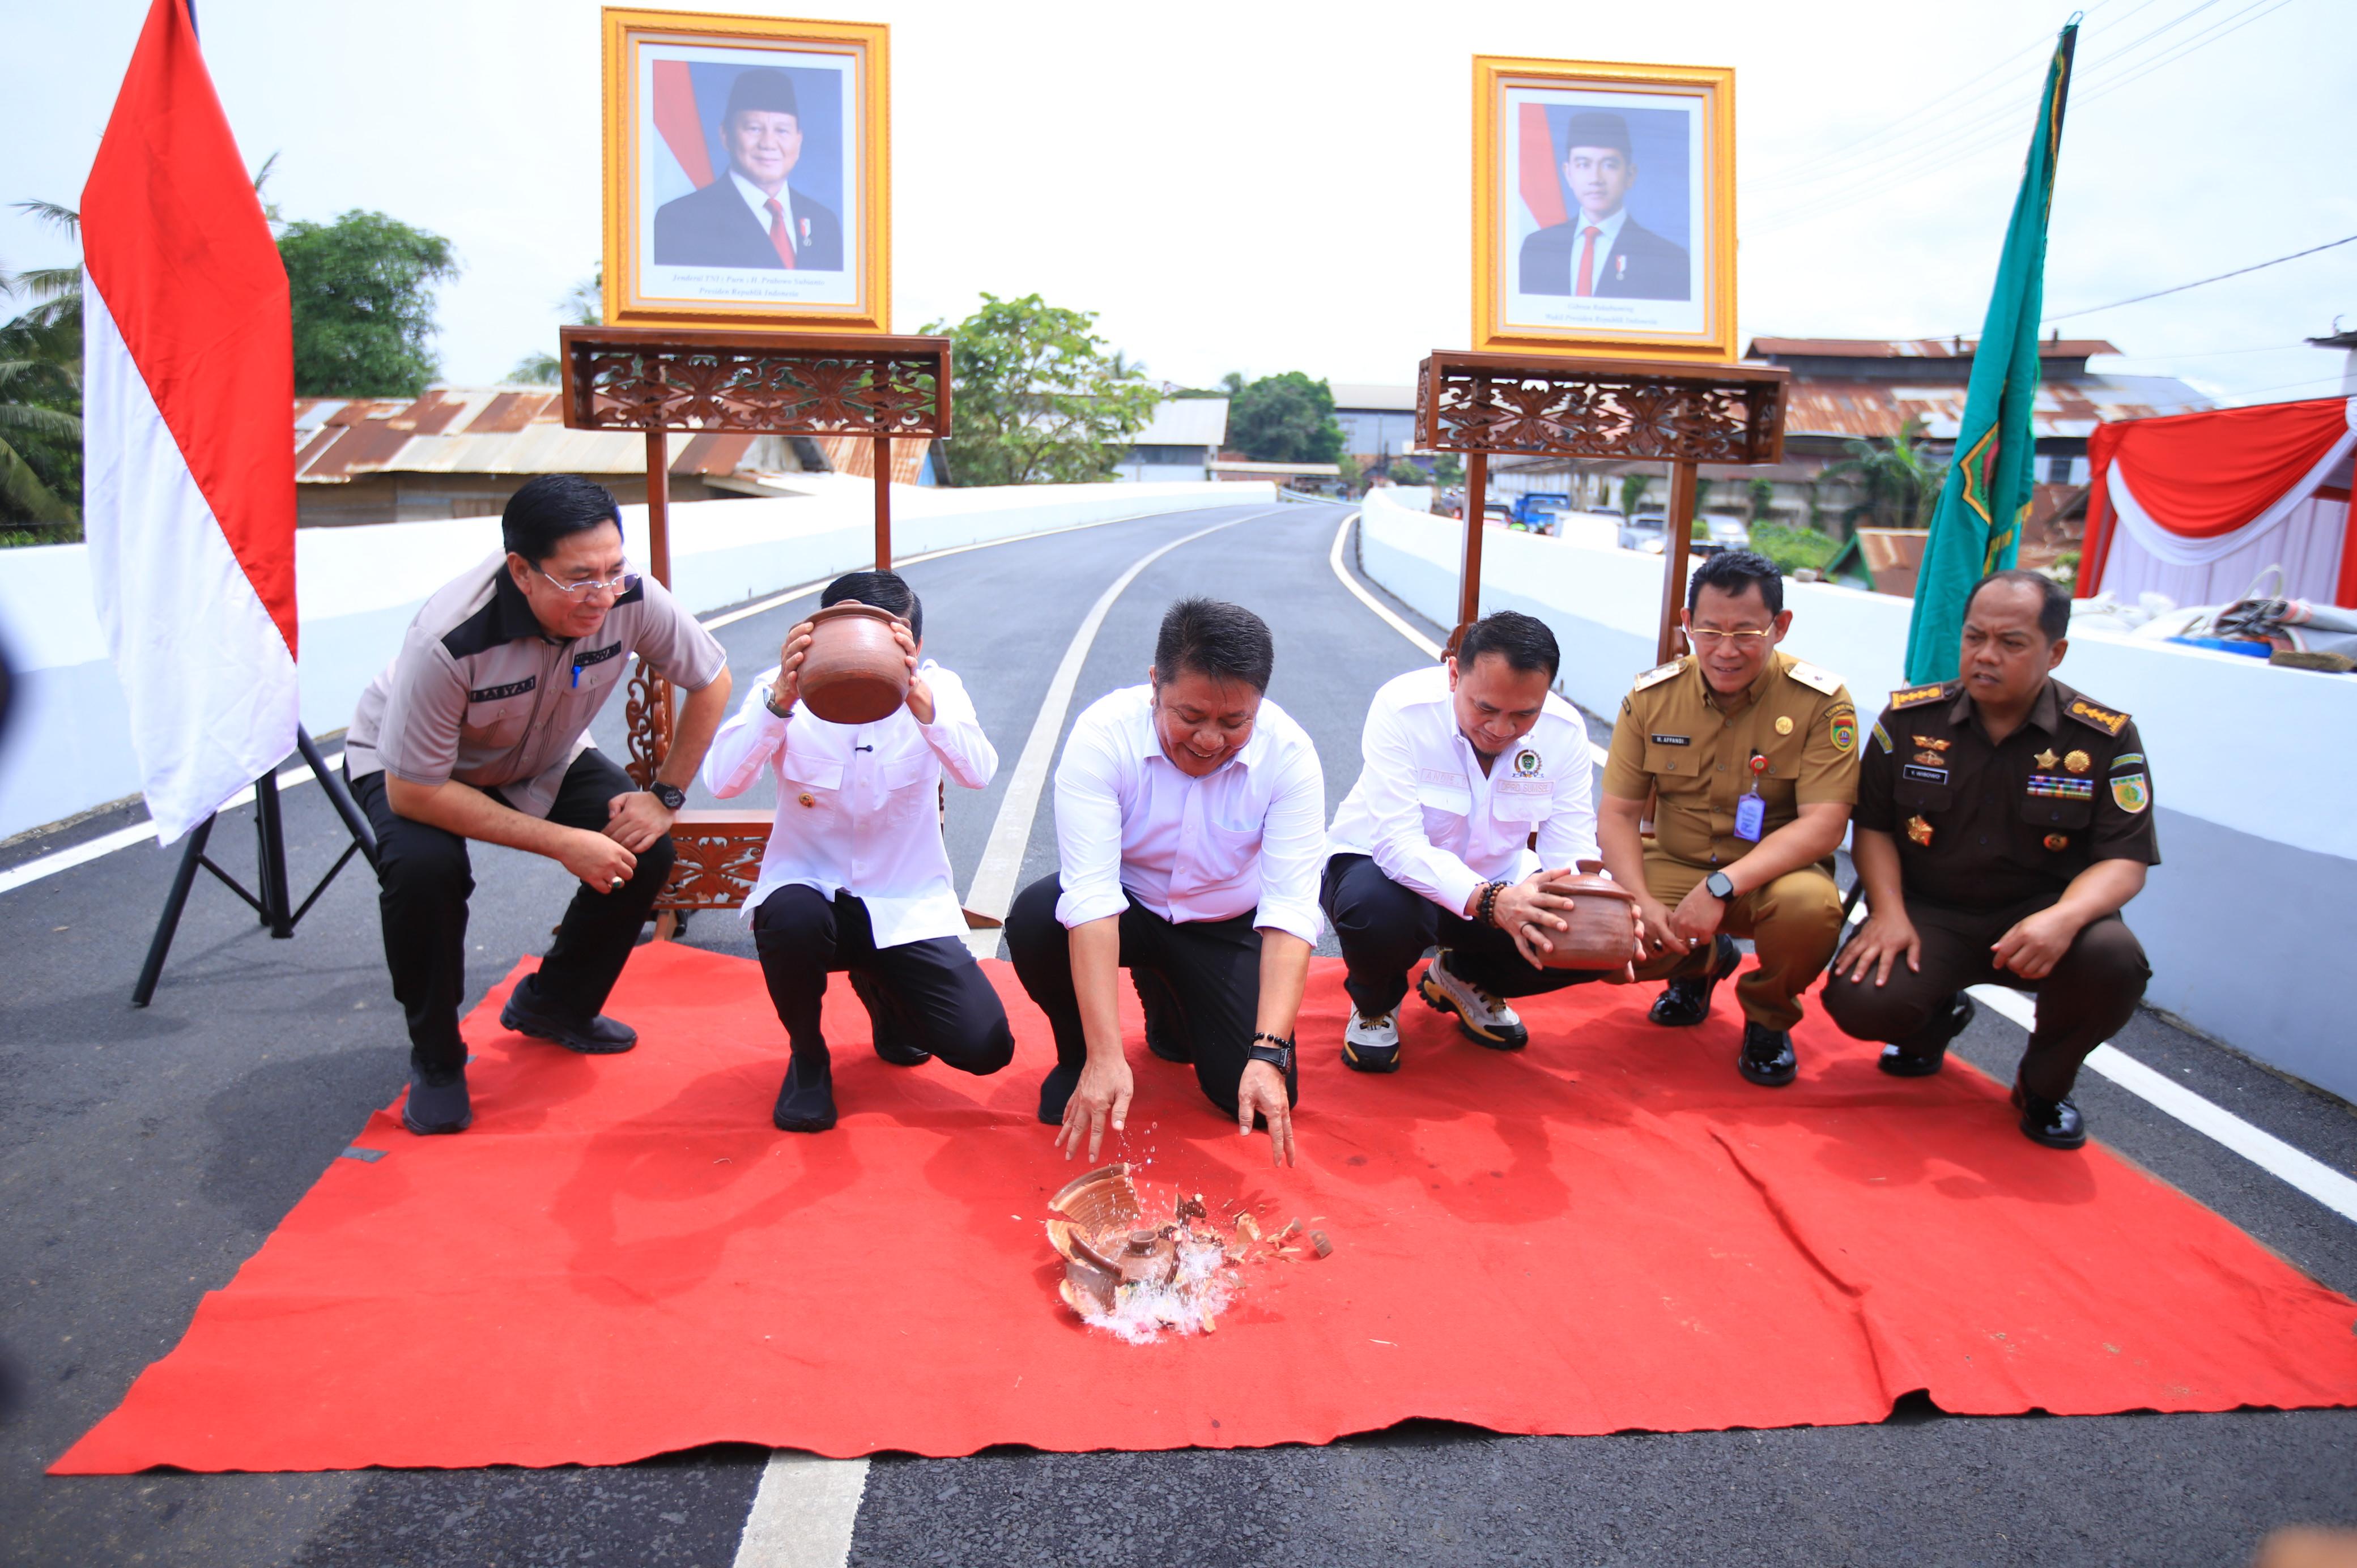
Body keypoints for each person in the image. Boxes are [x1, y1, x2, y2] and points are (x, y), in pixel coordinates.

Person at [346, 475, 733, 1135]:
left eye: (613, 569)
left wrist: (663, 798)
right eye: (580, 578)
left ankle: (556, 1005)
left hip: (543, 755)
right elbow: (415, 789)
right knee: (424, 873)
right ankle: (437, 1058)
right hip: (416, 767)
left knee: (645, 848)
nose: (603, 595)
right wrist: (561, 842)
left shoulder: (630, 594)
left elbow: (711, 679)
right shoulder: (450, 637)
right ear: (521, 570)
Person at [1824, 571, 2158, 1149]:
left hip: (2040, 917)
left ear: (2054, 652)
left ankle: (2043, 1083)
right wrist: (1887, 911)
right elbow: (1872, 825)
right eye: (1974, 636)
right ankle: (1932, 1020)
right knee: (1859, 999)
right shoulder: (1908, 721)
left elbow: (2124, 860)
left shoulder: (2103, 739)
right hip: (1931, 913)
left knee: (2113, 958)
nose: (1985, 655)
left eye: (2010, 642)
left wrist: (2064, 917)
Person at [1005, 598, 1324, 1168]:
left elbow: (1291, 909)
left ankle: (1172, 1001)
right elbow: (1092, 899)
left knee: (1251, 1093)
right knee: (1036, 917)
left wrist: (1268, 1053)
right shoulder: (1104, 735)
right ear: (1155, 684)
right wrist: (1105, 1054)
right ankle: (1077, 1052)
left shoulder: (1291, 755)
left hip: (1227, 924)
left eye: (1234, 723)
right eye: (1190, 716)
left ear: (1260, 702)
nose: (1208, 740)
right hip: (1131, 908)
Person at [701, 569, 1013, 1132]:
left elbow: (978, 772)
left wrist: (918, 698)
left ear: (916, 645)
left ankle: (886, 998)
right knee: (790, 915)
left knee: (984, 1046)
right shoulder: (779, 691)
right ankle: (808, 1056)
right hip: (812, 896)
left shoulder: (937, 690)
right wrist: (779, 702)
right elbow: (721, 781)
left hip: (904, 905)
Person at [1322, 610, 1640, 1072]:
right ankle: (1375, 1004)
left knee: (1585, 931)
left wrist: (1606, 911)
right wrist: (1491, 901)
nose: (1501, 729)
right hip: (1384, 874)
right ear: (1454, 673)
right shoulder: (1402, 707)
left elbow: (1571, 848)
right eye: (1486, 708)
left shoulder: (1565, 732)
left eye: (1524, 714)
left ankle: (1463, 977)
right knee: (1378, 913)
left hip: (1502, 885)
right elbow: (1396, 844)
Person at [1597, 551, 1856, 1085]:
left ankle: (1767, 1017)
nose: (1726, 650)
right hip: (1674, 861)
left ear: (1780, 627)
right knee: (1609, 939)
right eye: (1710, 631)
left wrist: (1720, 887)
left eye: (1747, 633)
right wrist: (1643, 902)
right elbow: (1619, 815)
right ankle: (1702, 963)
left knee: (1811, 910)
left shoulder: (1821, 703)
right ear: (1688, 624)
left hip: (1773, 877)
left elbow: (1825, 825)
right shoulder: (1652, 698)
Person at [652, 67, 844, 271]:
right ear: (726, 135)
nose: (769, 143)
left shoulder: (824, 224)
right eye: (754, 129)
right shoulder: (680, 221)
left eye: (782, 131)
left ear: (799, 141)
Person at [1518, 110, 1691, 300]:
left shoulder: (1667, 260)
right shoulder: (1537, 248)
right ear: (1568, 174)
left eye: (1609, 165)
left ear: (1631, 175)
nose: (1596, 179)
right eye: (1584, 165)